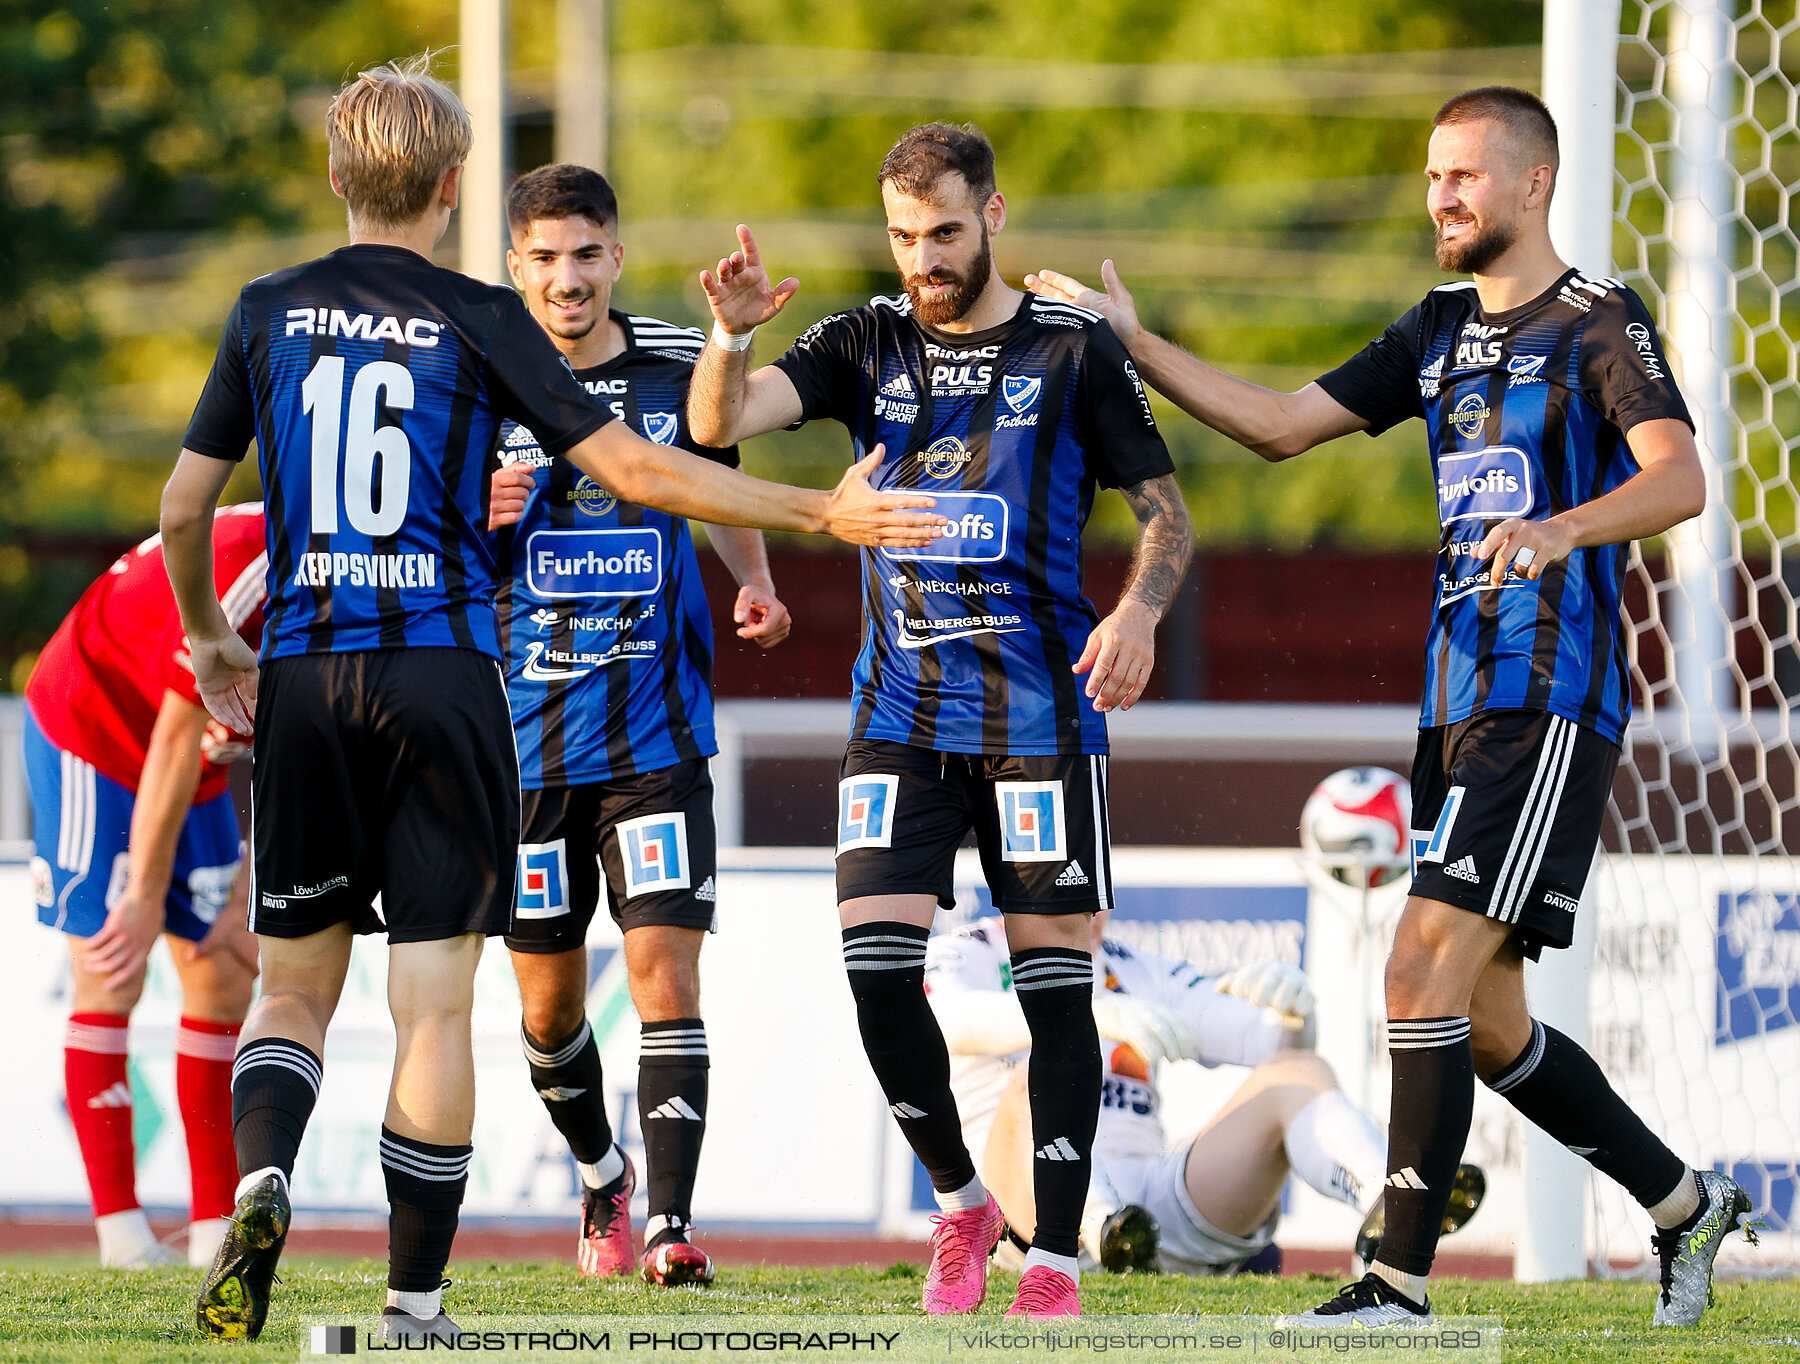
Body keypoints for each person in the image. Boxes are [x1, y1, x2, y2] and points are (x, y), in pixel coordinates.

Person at [161, 56, 941, 1344]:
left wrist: (207, 639)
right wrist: (816, 508)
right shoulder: (480, 315)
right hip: (453, 684)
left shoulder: (266, 307)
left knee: (291, 987)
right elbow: (636, 465)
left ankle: (261, 1182)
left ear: (338, 176)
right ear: (458, 186)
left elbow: (187, 506)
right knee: (432, 1000)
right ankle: (414, 1303)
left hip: (306, 674)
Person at [1025, 86, 1752, 1327]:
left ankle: (1394, 1282)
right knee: (1483, 1022)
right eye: (1430, 178)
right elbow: (1275, 427)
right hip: (1455, 703)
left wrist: (1561, 527)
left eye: (1465, 175)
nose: (1442, 197)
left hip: (1547, 699)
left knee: (1417, 969)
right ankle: (1686, 1204)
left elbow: (1679, 475)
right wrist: (1130, 338)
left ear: (1534, 184)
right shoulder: (1436, 330)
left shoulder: (1601, 320)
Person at [686, 121, 1194, 1319]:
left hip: (1040, 716)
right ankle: (965, 1200)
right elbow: (717, 426)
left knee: (1057, 990)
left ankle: (1056, 1260)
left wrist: (1137, 616)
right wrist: (729, 333)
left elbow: (1166, 515)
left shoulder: (1071, 349)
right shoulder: (863, 338)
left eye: (947, 234)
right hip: (901, 713)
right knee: (873, 973)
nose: (925, 258)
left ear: (996, 217)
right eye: (906, 236)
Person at [491, 163, 791, 1288]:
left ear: (615, 255)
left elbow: (715, 479)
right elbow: (415, 535)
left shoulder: (676, 361)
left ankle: (669, 1222)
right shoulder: (478, 371)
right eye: (544, 258)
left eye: (585, 254)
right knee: (549, 1012)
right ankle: (602, 1172)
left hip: (655, 738)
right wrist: (474, 511)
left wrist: (754, 578)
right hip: (521, 745)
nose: (566, 279)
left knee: (666, 977)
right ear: (516, 266)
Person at [926, 912, 1484, 1279]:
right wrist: (1077, 1016)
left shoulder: (1132, 964)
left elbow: (1262, 1043)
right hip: (1024, 1216)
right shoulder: (970, 949)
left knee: (1298, 1069)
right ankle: (1098, 1229)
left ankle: (1392, 1204)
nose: (1094, 904)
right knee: (1039, 1076)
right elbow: (943, 1022)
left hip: (1146, 1207)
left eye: (1099, 882)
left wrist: (1292, 1015)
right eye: (1074, 876)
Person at [22, 504, 264, 1271]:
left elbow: (315, 752)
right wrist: (139, 899)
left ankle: (209, 1238)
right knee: (112, 964)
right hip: (96, 729)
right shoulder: (256, 563)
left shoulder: (375, 581)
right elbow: (172, 735)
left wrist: (246, 891)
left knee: (225, 970)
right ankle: (122, 1237)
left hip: (198, 757)